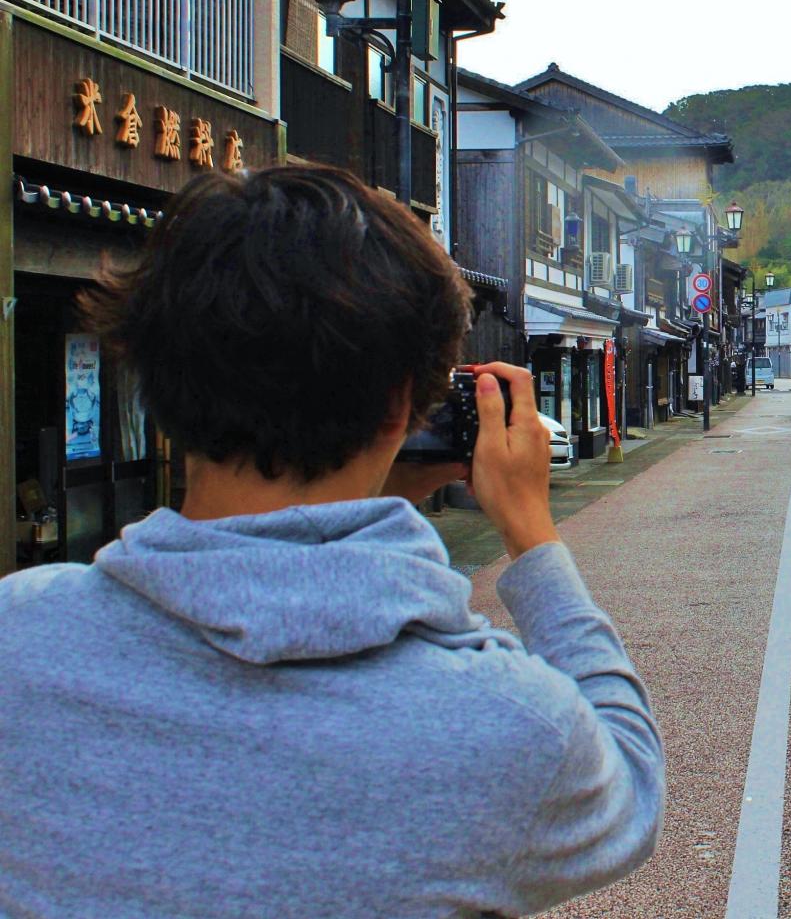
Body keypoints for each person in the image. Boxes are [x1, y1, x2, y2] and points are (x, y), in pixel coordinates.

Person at [0, 167, 663, 917]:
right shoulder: (505, 726)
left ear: (156, 385)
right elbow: (630, 786)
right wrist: (531, 532)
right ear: (400, 405)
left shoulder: (19, 637)